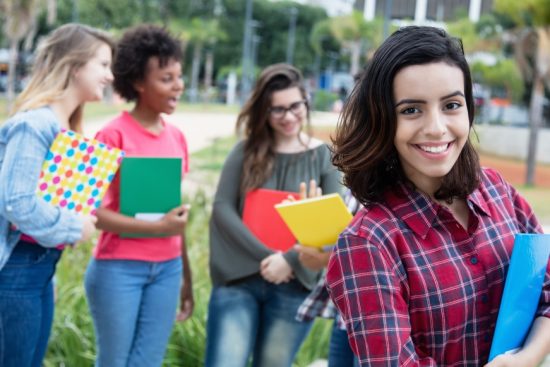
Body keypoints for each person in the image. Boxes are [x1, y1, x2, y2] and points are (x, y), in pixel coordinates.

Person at [326, 25, 550, 367]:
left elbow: (547, 285)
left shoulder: (496, 189)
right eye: (411, 110)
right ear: (383, 120)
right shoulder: (367, 244)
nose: (436, 127)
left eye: (451, 105)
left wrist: (528, 358)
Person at [206, 63, 342, 367]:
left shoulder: (324, 158)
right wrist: (270, 257)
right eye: (277, 110)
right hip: (238, 280)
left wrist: (289, 260)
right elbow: (222, 210)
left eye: (295, 106)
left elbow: (333, 228)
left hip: (294, 284)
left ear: (305, 102)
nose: (289, 116)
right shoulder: (244, 152)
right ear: (264, 112)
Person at [0, 23, 113, 367]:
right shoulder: (34, 125)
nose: (110, 75)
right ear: (75, 65)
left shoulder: (66, 129)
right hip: (17, 268)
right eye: (104, 64)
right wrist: (74, 227)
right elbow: (16, 202)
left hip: (39, 267)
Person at [83, 25, 193, 367]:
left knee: (148, 361)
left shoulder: (177, 137)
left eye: (179, 76)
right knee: (114, 362)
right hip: (119, 268)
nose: (178, 85)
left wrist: (186, 276)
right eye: (166, 78)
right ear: (138, 83)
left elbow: (176, 218)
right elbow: (91, 211)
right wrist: (158, 228)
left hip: (168, 269)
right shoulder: (110, 134)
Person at [295, 189, 360, 367]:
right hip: (346, 316)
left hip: (378, 319)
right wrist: (317, 251)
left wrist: (326, 258)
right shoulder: (358, 185)